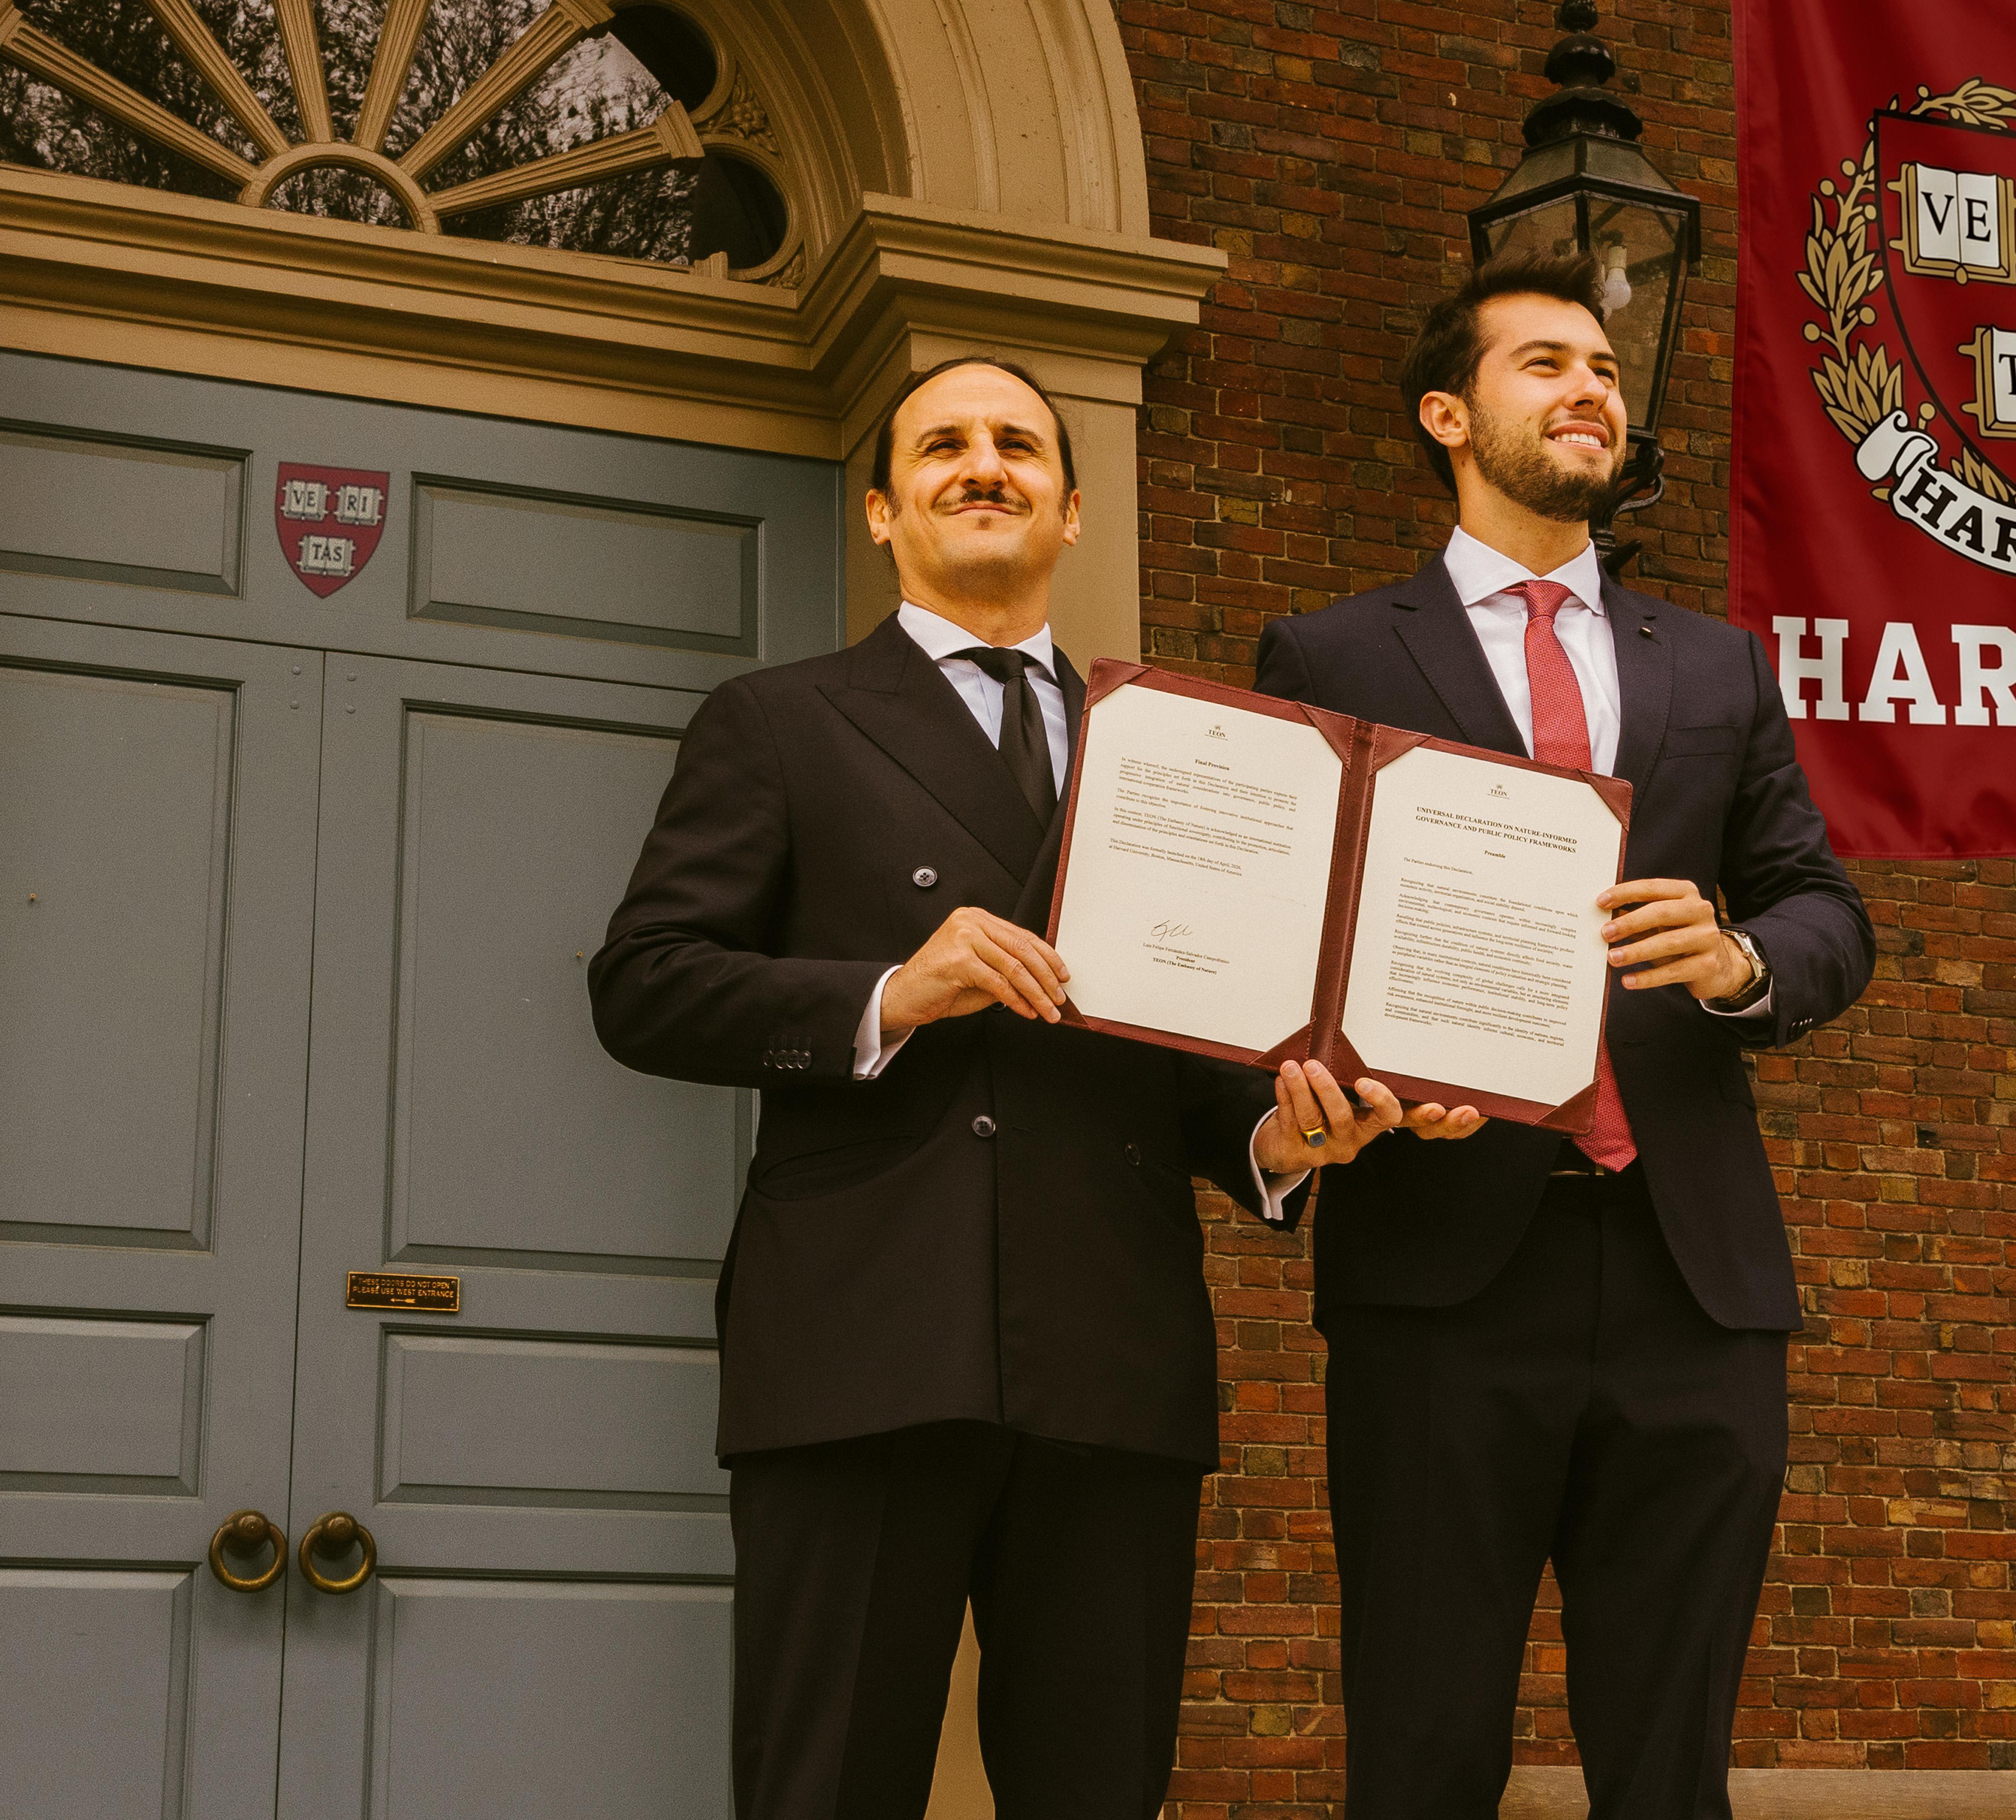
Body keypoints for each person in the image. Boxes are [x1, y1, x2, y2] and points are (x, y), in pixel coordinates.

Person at [590, 355, 1470, 1820]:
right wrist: (891, 991)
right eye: (943, 446)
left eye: (1017, 444)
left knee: (1098, 1791)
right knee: (826, 1789)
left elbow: (1198, 1045)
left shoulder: (1189, 756)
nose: (982, 464)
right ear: (884, 511)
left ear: (1070, 510)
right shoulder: (778, 719)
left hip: (1109, 1347)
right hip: (861, 1336)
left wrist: (1280, 1132)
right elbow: (645, 984)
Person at [1253, 251, 1879, 1818]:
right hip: (1441, 1274)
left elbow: (1824, 909)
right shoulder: (1330, 654)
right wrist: (1347, 1083)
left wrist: (1737, 961)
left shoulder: (1717, 664)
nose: (1591, 387)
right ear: (1446, 415)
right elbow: (1287, 944)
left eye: (1602, 367)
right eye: (1545, 363)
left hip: (1692, 1271)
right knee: (1423, 1751)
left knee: (1672, 1771)